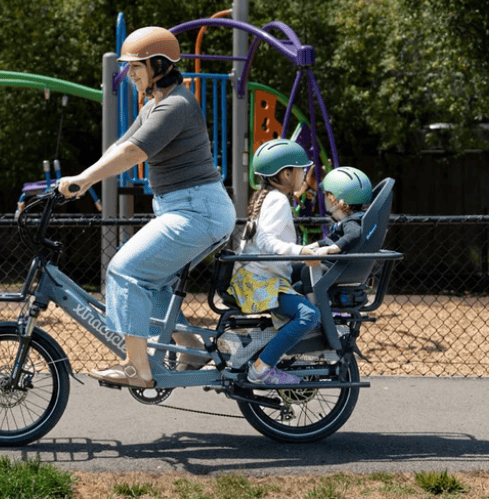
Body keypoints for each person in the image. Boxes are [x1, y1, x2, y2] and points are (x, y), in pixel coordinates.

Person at [58, 25, 237, 388]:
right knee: (150, 285)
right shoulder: (156, 104)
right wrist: (81, 176)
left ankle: (136, 367)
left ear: (158, 65)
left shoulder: (176, 105)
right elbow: (120, 145)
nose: (130, 74)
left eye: (137, 67)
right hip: (185, 208)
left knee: (124, 270)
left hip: (198, 210)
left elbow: (133, 153)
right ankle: (189, 349)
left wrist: (87, 180)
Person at [228, 138, 321, 386]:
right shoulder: (278, 200)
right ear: (286, 174)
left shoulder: (268, 196)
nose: (304, 174)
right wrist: (301, 252)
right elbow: (268, 242)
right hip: (260, 282)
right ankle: (262, 368)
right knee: (308, 315)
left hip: (253, 278)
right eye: (301, 169)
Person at [295, 166, 373, 297]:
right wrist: (307, 248)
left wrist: (330, 249)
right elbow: (327, 241)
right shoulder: (346, 221)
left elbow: (354, 234)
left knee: (307, 271)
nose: (324, 199)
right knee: (296, 270)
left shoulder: (351, 222)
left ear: (337, 201)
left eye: (327, 195)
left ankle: (317, 309)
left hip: (341, 269)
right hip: (338, 266)